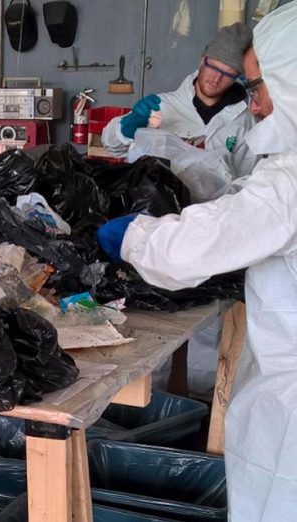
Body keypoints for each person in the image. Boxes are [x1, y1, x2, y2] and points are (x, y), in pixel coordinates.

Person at [97, 4, 297, 519]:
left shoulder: (289, 180)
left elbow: (218, 229)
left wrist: (137, 238)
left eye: (251, 85)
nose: (252, 104)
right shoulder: (169, 102)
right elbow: (114, 142)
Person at [102, 22, 257, 181]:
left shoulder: (244, 122)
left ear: (237, 77)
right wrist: (126, 127)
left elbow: (246, 180)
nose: (216, 79)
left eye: (228, 74)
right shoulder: (160, 106)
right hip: (157, 203)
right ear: (203, 61)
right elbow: (112, 148)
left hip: (215, 205)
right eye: (214, 67)